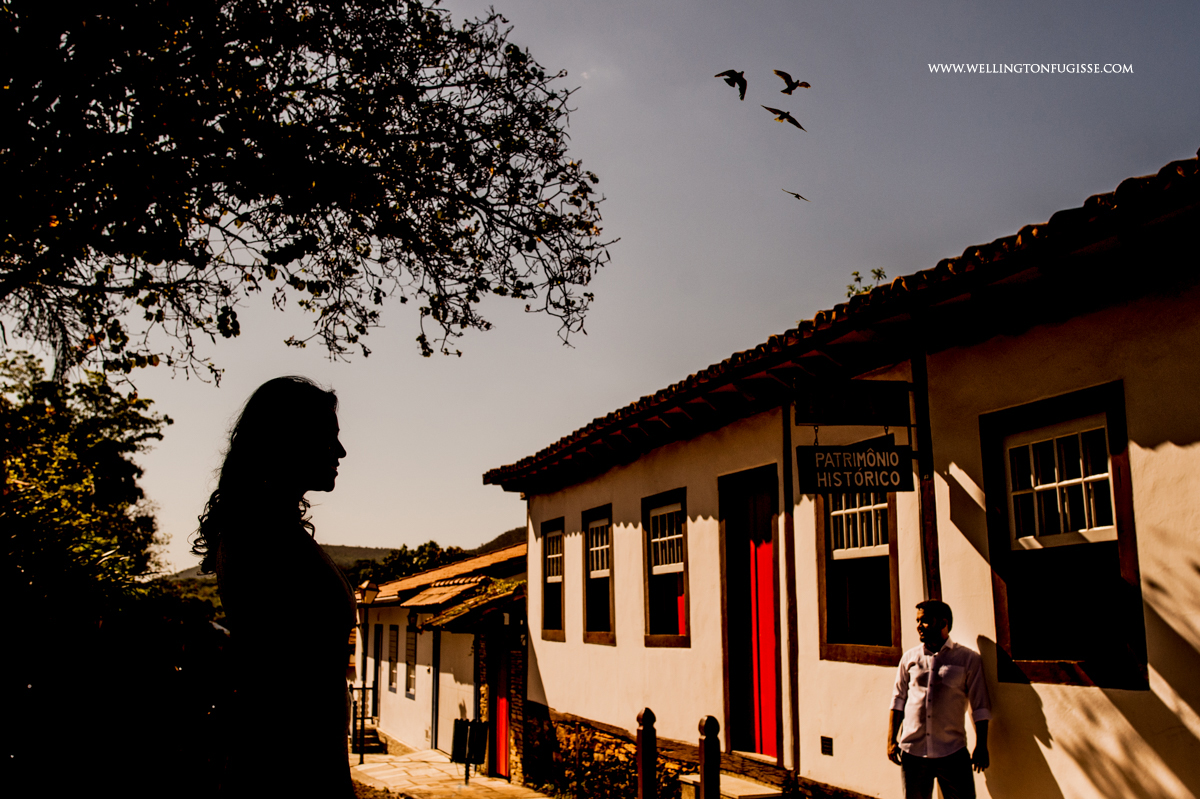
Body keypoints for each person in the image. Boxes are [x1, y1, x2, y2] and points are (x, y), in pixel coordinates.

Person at [193, 376, 355, 798]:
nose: (340, 451)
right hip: (288, 767)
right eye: (328, 437)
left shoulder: (272, 529)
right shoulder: (260, 535)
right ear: (288, 440)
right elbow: (284, 680)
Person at [887, 600, 992, 799]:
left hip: (952, 752)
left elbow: (980, 706)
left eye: (925, 620)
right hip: (913, 753)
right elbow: (898, 700)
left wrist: (981, 745)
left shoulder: (968, 659)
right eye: (918, 621)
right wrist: (891, 740)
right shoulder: (909, 658)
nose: (919, 626)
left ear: (943, 623)